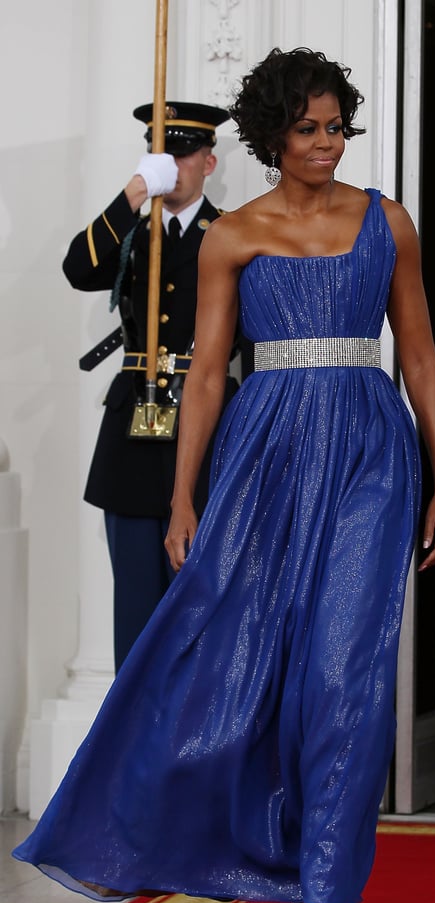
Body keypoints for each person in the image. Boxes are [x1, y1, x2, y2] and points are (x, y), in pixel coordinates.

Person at [14, 47, 435, 903]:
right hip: (263, 453)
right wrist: (182, 496)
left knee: (343, 671)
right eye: (308, 129)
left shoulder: (389, 221)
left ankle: (321, 898)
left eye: (338, 126)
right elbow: (207, 377)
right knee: (241, 656)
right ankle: (162, 827)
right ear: (270, 137)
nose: (328, 144)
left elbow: (418, 357)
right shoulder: (233, 234)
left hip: (372, 452)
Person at [65, 100, 243, 669]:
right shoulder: (134, 232)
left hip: (207, 426)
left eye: (184, 153)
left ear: (208, 162)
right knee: (136, 615)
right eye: (160, 152)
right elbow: (78, 269)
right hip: (133, 435)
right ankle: (132, 752)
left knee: (199, 612)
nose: (173, 163)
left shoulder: (230, 235)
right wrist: (135, 193)